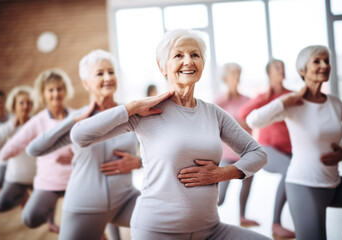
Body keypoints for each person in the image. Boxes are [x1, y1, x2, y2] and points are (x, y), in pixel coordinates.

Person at [70, 29, 269, 240]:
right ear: (162, 66)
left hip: (211, 230)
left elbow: (257, 154)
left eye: (195, 55)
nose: (188, 61)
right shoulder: (144, 112)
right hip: (157, 231)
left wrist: (222, 173)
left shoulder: (213, 113)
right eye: (178, 55)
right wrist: (130, 107)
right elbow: (80, 135)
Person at [26, 50, 141, 240]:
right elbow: (34, 149)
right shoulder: (79, 121)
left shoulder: (131, 114)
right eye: (100, 73)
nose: (108, 77)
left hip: (125, 201)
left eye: (111, 72)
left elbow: (159, 151)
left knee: (170, 224)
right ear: (86, 84)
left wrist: (138, 162)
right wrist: (72, 121)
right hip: (84, 206)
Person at [246, 45, 342, 240]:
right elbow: (252, 120)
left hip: (334, 183)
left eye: (327, 61)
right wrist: (284, 101)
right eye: (317, 61)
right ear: (302, 70)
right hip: (304, 186)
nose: (324, 65)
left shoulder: (335, 103)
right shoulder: (293, 103)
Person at [0, 69, 74, 233]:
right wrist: (6, 156)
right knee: (29, 218)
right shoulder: (38, 121)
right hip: (48, 181)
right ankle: (49, 208)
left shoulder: (76, 116)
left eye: (59, 89)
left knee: (78, 226)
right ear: (43, 93)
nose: (55, 94)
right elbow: (10, 148)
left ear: (65, 90)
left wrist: (74, 155)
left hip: (75, 180)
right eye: (50, 90)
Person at [238, 59, 295, 238]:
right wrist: (264, 97)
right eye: (278, 68)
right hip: (268, 149)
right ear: (269, 73)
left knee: (299, 177)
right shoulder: (263, 97)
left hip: (291, 151)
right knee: (290, 170)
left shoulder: (291, 95)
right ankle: (276, 224)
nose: (281, 70)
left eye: (283, 67)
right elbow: (243, 115)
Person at [214, 62, 259, 227]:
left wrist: (234, 123)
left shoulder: (248, 100)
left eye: (238, 72)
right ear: (225, 77)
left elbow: (253, 123)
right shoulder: (219, 101)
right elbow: (215, 126)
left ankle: (242, 216)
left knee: (246, 187)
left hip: (247, 153)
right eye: (233, 72)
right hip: (226, 155)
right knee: (220, 196)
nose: (236, 76)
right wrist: (240, 123)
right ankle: (204, 218)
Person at [0, 86, 36, 212]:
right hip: (10, 166)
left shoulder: (36, 122)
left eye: (28, 103)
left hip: (30, 167)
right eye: (21, 103)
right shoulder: (7, 126)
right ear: (14, 105)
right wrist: (8, 151)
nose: (25, 106)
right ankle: (22, 195)